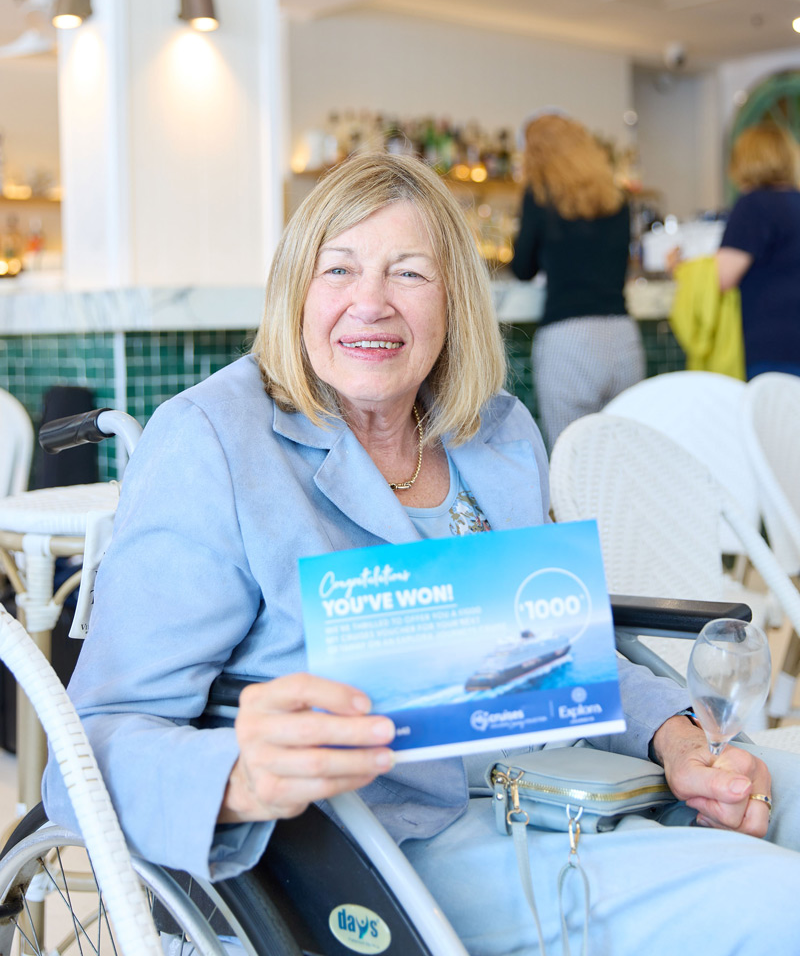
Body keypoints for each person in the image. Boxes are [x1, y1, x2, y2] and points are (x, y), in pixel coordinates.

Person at [43, 152, 800, 954]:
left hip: (564, 783)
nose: (371, 302)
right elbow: (87, 754)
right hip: (391, 849)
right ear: (296, 290)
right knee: (777, 902)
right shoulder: (215, 443)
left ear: (453, 300)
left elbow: (556, 655)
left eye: (409, 273)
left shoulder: (497, 433)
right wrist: (238, 775)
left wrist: (673, 734)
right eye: (339, 269)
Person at [511, 113, 645, 449]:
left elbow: (522, 268)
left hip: (569, 340)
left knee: (571, 460)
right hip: (622, 339)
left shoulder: (539, 197)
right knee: (625, 457)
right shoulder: (616, 198)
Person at [715, 121, 800, 380]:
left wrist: (683, 269)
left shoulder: (753, 205)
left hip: (773, 346)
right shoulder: (795, 201)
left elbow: (723, 276)